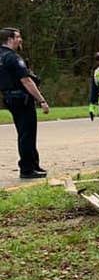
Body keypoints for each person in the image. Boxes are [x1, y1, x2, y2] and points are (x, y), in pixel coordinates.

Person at [0, 28, 50, 179]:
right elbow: (26, 81)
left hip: (9, 98)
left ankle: (33, 164)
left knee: (24, 133)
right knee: (27, 134)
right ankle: (27, 169)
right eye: (18, 37)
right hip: (22, 99)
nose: (20, 39)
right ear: (10, 39)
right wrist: (41, 100)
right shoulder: (13, 57)